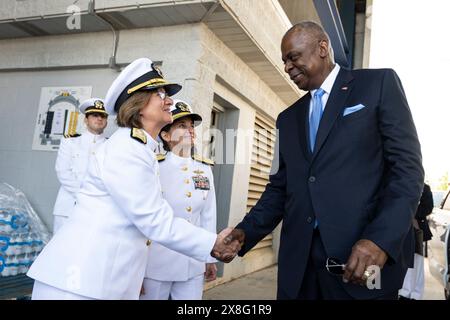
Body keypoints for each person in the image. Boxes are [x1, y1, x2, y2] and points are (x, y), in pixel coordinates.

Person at [225, 21, 424, 299]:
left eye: (293, 57)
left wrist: (380, 239)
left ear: (322, 48)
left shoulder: (378, 85)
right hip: (299, 269)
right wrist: (243, 232)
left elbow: (407, 171)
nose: (287, 67)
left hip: (361, 262)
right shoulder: (287, 119)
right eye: (284, 61)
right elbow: (280, 188)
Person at [27, 58, 240, 300]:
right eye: (160, 93)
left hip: (98, 280)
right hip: (79, 282)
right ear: (138, 106)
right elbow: (155, 220)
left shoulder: (139, 148)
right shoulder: (127, 149)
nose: (169, 100)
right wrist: (213, 244)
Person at [140, 99, 217, 300]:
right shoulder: (154, 166)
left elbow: (208, 216)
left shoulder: (204, 168)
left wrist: (209, 257)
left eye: (191, 126)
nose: (190, 130)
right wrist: (136, 268)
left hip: (192, 262)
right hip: (156, 262)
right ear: (165, 135)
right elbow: (143, 220)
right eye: (182, 126)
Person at [52, 98, 108, 233]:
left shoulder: (111, 145)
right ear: (85, 119)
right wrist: (84, 195)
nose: (99, 119)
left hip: (97, 209)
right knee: (60, 249)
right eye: (95, 115)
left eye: (103, 116)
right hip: (67, 206)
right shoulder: (70, 141)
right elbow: (62, 171)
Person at [399, 182, 434, 300]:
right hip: (402, 230)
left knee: (416, 262)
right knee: (405, 261)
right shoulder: (400, 184)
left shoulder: (425, 188)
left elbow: (427, 208)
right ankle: (405, 291)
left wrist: (409, 211)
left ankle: (413, 293)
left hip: (416, 230)